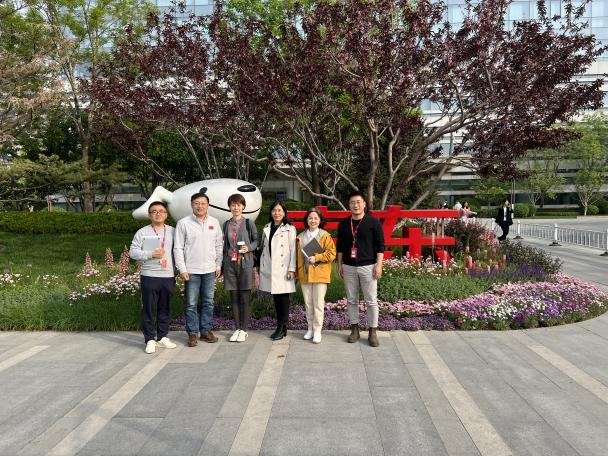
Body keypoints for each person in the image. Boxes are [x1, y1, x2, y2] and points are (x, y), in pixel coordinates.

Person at [174, 192, 223, 347]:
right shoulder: (183, 223)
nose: (200, 206)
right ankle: (193, 334)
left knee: (208, 302)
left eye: (203, 203)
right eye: (196, 203)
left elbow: (219, 245)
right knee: (191, 304)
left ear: (208, 205)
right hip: (191, 270)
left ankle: (206, 331)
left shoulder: (214, 222)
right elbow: (178, 247)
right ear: (192, 205)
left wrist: (218, 264)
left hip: (209, 269)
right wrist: (182, 269)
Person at [337, 191, 385, 347]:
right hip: (349, 267)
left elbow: (380, 246)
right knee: (351, 300)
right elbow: (340, 247)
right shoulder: (344, 224)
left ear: (364, 204)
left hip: (368, 266)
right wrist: (339, 265)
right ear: (349, 205)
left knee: (371, 300)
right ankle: (354, 330)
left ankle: (372, 332)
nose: (355, 205)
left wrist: (379, 265)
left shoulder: (373, 222)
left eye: (358, 202)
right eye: (352, 202)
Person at [129, 201, 178, 354]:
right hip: (149, 275)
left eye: (161, 211)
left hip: (168, 275)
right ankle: (150, 339)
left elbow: (180, 251)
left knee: (165, 308)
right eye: (154, 211)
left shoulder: (173, 231)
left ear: (166, 214)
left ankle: (162, 337)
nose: (158, 214)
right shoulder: (142, 232)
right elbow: (133, 252)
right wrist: (150, 254)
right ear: (149, 215)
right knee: (148, 308)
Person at [295, 207, 336, 344]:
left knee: (318, 304)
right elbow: (297, 256)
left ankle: (317, 331)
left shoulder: (325, 235)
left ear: (320, 220)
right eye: (310, 218)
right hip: (305, 274)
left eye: (315, 218)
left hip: (320, 274)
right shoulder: (300, 236)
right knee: (308, 303)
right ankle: (310, 329)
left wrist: (317, 257)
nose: (313, 220)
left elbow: (331, 254)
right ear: (307, 220)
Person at [222, 193, 258, 343]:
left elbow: (256, 240)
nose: (236, 207)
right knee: (234, 297)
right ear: (229, 207)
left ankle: (244, 330)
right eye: (233, 205)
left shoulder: (249, 223)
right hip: (230, 264)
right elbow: (224, 246)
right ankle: (237, 328)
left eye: (238, 204)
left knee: (245, 297)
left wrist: (249, 247)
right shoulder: (226, 224)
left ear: (243, 206)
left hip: (245, 263)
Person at [259, 201, 297, 341]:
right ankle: (281, 327)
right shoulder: (267, 227)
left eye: (279, 210)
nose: (277, 213)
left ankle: (282, 327)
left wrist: (292, 269)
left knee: (283, 299)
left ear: (284, 212)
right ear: (271, 212)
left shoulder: (289, 228)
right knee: (276, 298)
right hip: (270, 268)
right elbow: (264, 248)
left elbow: (293, 250)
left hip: (283, 268)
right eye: (274, 210)